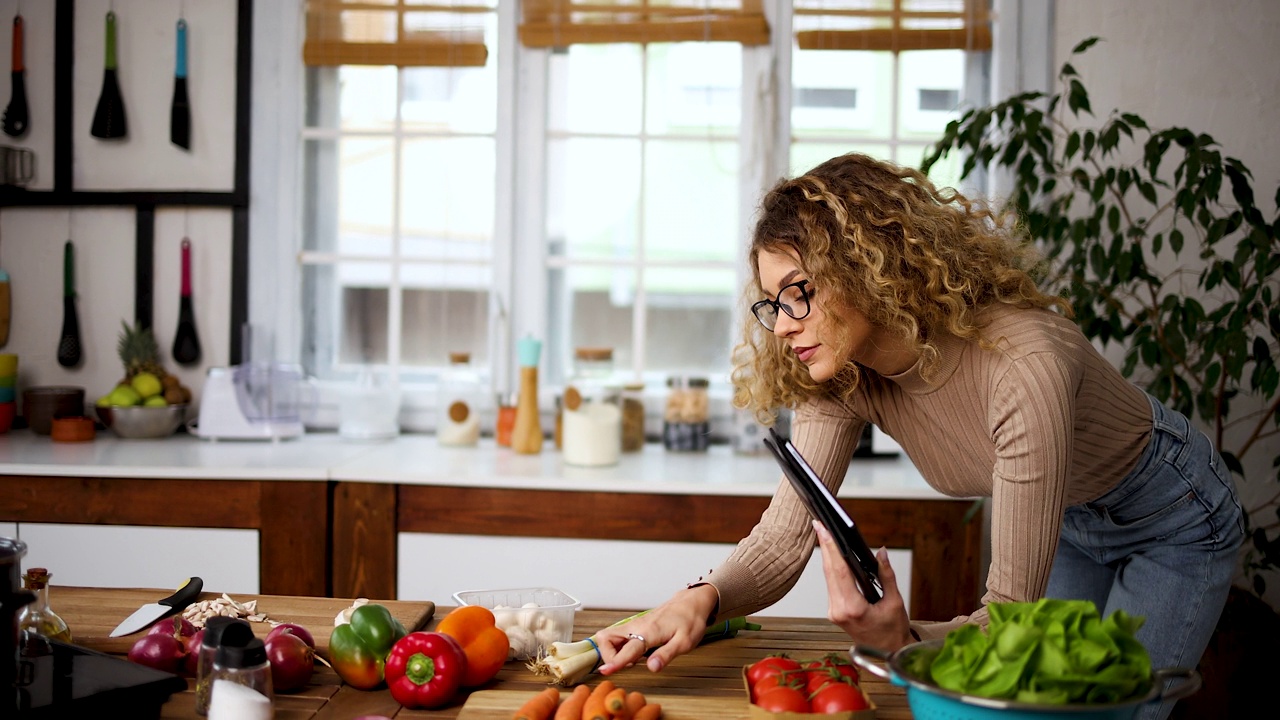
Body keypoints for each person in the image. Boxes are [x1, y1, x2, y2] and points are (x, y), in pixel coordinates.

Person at [593, 152, 1244, 720]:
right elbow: (782, 540)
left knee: (1112, 712)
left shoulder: (1022, 366)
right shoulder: (842, 372)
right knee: (1036, 702)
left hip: (1174, 516)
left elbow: (1006, 615)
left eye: (801, 292)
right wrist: (699, 599)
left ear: (866, 266)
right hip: (1071, 519)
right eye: (773, 302)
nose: (783, 325)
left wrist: (902, 636)